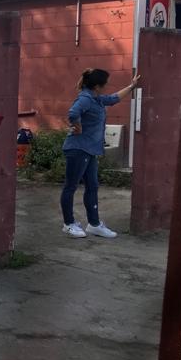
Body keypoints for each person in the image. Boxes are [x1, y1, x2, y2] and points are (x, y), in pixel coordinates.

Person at [60, 68, 140, 239]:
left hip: (89, 150)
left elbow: (113, 99)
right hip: (78, 149)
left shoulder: (96, 98)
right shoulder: (85, 99)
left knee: (93, 186)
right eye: (105, 84)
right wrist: (77, 126)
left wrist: (132, 86)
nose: (106, 86)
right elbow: (73, 113)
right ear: (97, 86)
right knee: (70, 187)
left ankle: (94, 225)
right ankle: (68, 224)